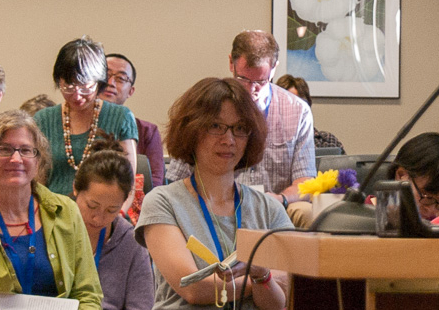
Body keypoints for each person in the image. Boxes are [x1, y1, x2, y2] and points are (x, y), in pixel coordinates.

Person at [137, 77, 290, 309]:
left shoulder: (270, 210)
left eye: (240, 129)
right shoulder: (162, 202)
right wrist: (260, 278)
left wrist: (263, 277)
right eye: (216, 126)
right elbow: (194, 289)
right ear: (192, 131)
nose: (228, 140)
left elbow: (281, 301)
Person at [0, 110, 101, 309]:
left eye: (26, 150)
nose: (16, 159)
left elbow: (88, 294)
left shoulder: (66, 212)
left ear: (38, 160)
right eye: (4, 150)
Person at [169, 32, 315, 206]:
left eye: (261, 81)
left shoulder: (298, 110)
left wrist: (279, 199)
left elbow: (305, 181)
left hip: (274, 205)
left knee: (303, 210)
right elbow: (176, 177)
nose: (251, 89)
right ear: (231, 63)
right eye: (243, 79)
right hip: (213, 203)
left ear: (274, 68)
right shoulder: (208, 102)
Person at [33, 37, 138, 196]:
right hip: (53, 211)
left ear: (99, 82)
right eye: (68, 87)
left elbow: (128, 185)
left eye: (85, 87)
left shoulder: (121, 117)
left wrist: (114, 217)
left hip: (105, 212)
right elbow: (37, 184)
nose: (77, 95)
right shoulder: (43, 120)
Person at [73, 135, 152, 310]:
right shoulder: (54, 229)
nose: (99, 218)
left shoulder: (131, 242)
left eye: (111, 210)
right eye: (92, 206)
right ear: (75, 188)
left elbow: (141, 305)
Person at [98, 53, 162, 188]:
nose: (111, 83)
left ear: (130, 91)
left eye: (121, 78)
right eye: (105, 75)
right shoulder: (75, 124)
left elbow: (154, 182)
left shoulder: (147, 131)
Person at [391, 132, 439, 221]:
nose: (432, 210)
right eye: (428, 198)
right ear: (402, 176)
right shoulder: (370, 218)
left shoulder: (436, 221)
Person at [276, 74, 342, 153]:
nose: (295, 110)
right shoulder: (267, 143)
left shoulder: (328, 141)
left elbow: (347, 164)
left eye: (300, 104)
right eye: (288, 104)